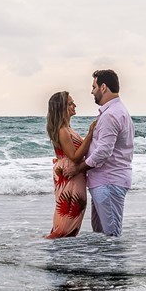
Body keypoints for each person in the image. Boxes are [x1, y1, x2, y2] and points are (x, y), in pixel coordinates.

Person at [81, 69, 134, 237]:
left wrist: (78, 168)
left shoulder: (111, 114)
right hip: (105, 181)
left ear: (103, 87)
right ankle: (104, 264)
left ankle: (115, 264)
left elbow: (103, 151)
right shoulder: (116, 111)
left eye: (94, 86)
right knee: (101, 235)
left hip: (108, 181)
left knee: (111, 236)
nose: (92, 91)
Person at [44, 90, 94, 239]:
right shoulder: (62, 131)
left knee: (71, 215)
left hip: (72, 174)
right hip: (70, 174)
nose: (75, 105)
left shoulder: (67, 129)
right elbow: (74, 157)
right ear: (62, 108)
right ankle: (50, 246)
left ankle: (61, 253)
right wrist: (90, 134)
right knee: (68, 217)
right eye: (71, 103)